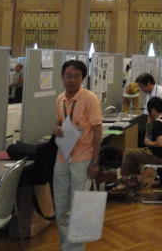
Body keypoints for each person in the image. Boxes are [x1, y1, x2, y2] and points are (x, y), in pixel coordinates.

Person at [52, 60, 102, 251]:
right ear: (62, 77)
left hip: (83, 159)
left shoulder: (90, 98)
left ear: (83, 78)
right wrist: (57, 130)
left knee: (78, 207)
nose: (71, 80)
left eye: (76, 76)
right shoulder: (59, 99)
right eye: (68, 76)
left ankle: (75, 249)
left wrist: (95, 161)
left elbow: (98, 130)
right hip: (62, 157)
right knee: (61, 208)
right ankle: (66, 247)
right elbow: (60, 123)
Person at [110, 96, 162, 193]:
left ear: (153, 110)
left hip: (158, 156)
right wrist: (149, 124)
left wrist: (148, 142)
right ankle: (133, 181)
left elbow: (160, 143)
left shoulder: (158, 123)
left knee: (128, 153)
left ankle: (124, 182)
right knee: (133, 154)